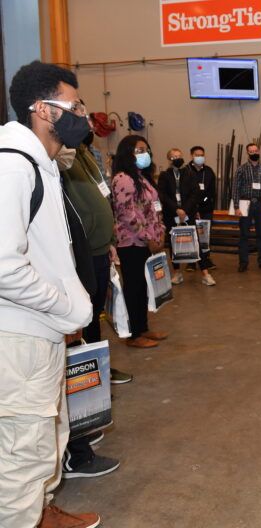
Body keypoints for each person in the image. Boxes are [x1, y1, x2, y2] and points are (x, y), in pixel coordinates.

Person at [0, 60, 99, 528]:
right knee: (23, 455)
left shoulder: (44, 162)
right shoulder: (12, 166)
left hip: (43, 333)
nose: (83, 113)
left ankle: (41, 513)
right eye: (74, 104)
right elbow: (3, 265)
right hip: (20, 338)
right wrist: (65, 307)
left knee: (46, 439)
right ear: (42, 109)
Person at [58, 140, 127, 481]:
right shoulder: (39, 165)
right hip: (62, 283)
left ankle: (79, 436)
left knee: (87, 339)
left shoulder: (81, 154)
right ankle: (75, 453)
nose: (82, 118)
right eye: (76, 109)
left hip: (93, 254)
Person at [112, 135, 168, 348]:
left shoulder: (143, 178)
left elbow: (155, 208)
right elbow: (127, 214)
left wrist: (160, 232)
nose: (144, 154)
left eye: (146, 149)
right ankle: (134, 335)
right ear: (127, 153)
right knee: (134, 288)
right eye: (138, 150)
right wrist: (147, 238)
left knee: (144, 287)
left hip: (149, 242)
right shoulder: (123, 179)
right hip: (133, 244)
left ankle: (143, 328)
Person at [158, 148, 215, 286]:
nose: (177, 158)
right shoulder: (165, 175)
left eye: (179, 156)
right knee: (173, 244)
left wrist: (184, 209)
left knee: (196, 242)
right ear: (169, 159)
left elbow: (195, 194)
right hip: (172, 215)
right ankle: (177, 273)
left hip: (188, 214)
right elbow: (162, 195)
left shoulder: (189, 173)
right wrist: (176, 209)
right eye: (174, 156)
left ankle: (205, 274)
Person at [232, 143, 261, 272]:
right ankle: (243, 263)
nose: (254, 153)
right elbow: (235, 188)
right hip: (245, 204)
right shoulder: (241, 169)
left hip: (260, 205)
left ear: (259, 151)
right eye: (251, 151)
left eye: (256, 150)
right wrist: (236, 207)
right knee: (244, 234)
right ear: (248, 154)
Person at [183, 145, 217, 270]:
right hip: (190, 209)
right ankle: (191, 261)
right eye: (197, 155)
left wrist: (204, 202)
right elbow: (184, 192)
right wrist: (193, 207)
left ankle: (206, 259)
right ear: (191, 156)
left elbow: (212, 192)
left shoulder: (208, 171)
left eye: (202, 155)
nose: (200, 157)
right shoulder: (185, 171)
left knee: (205, 236)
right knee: (192, 235)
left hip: (206, 209)